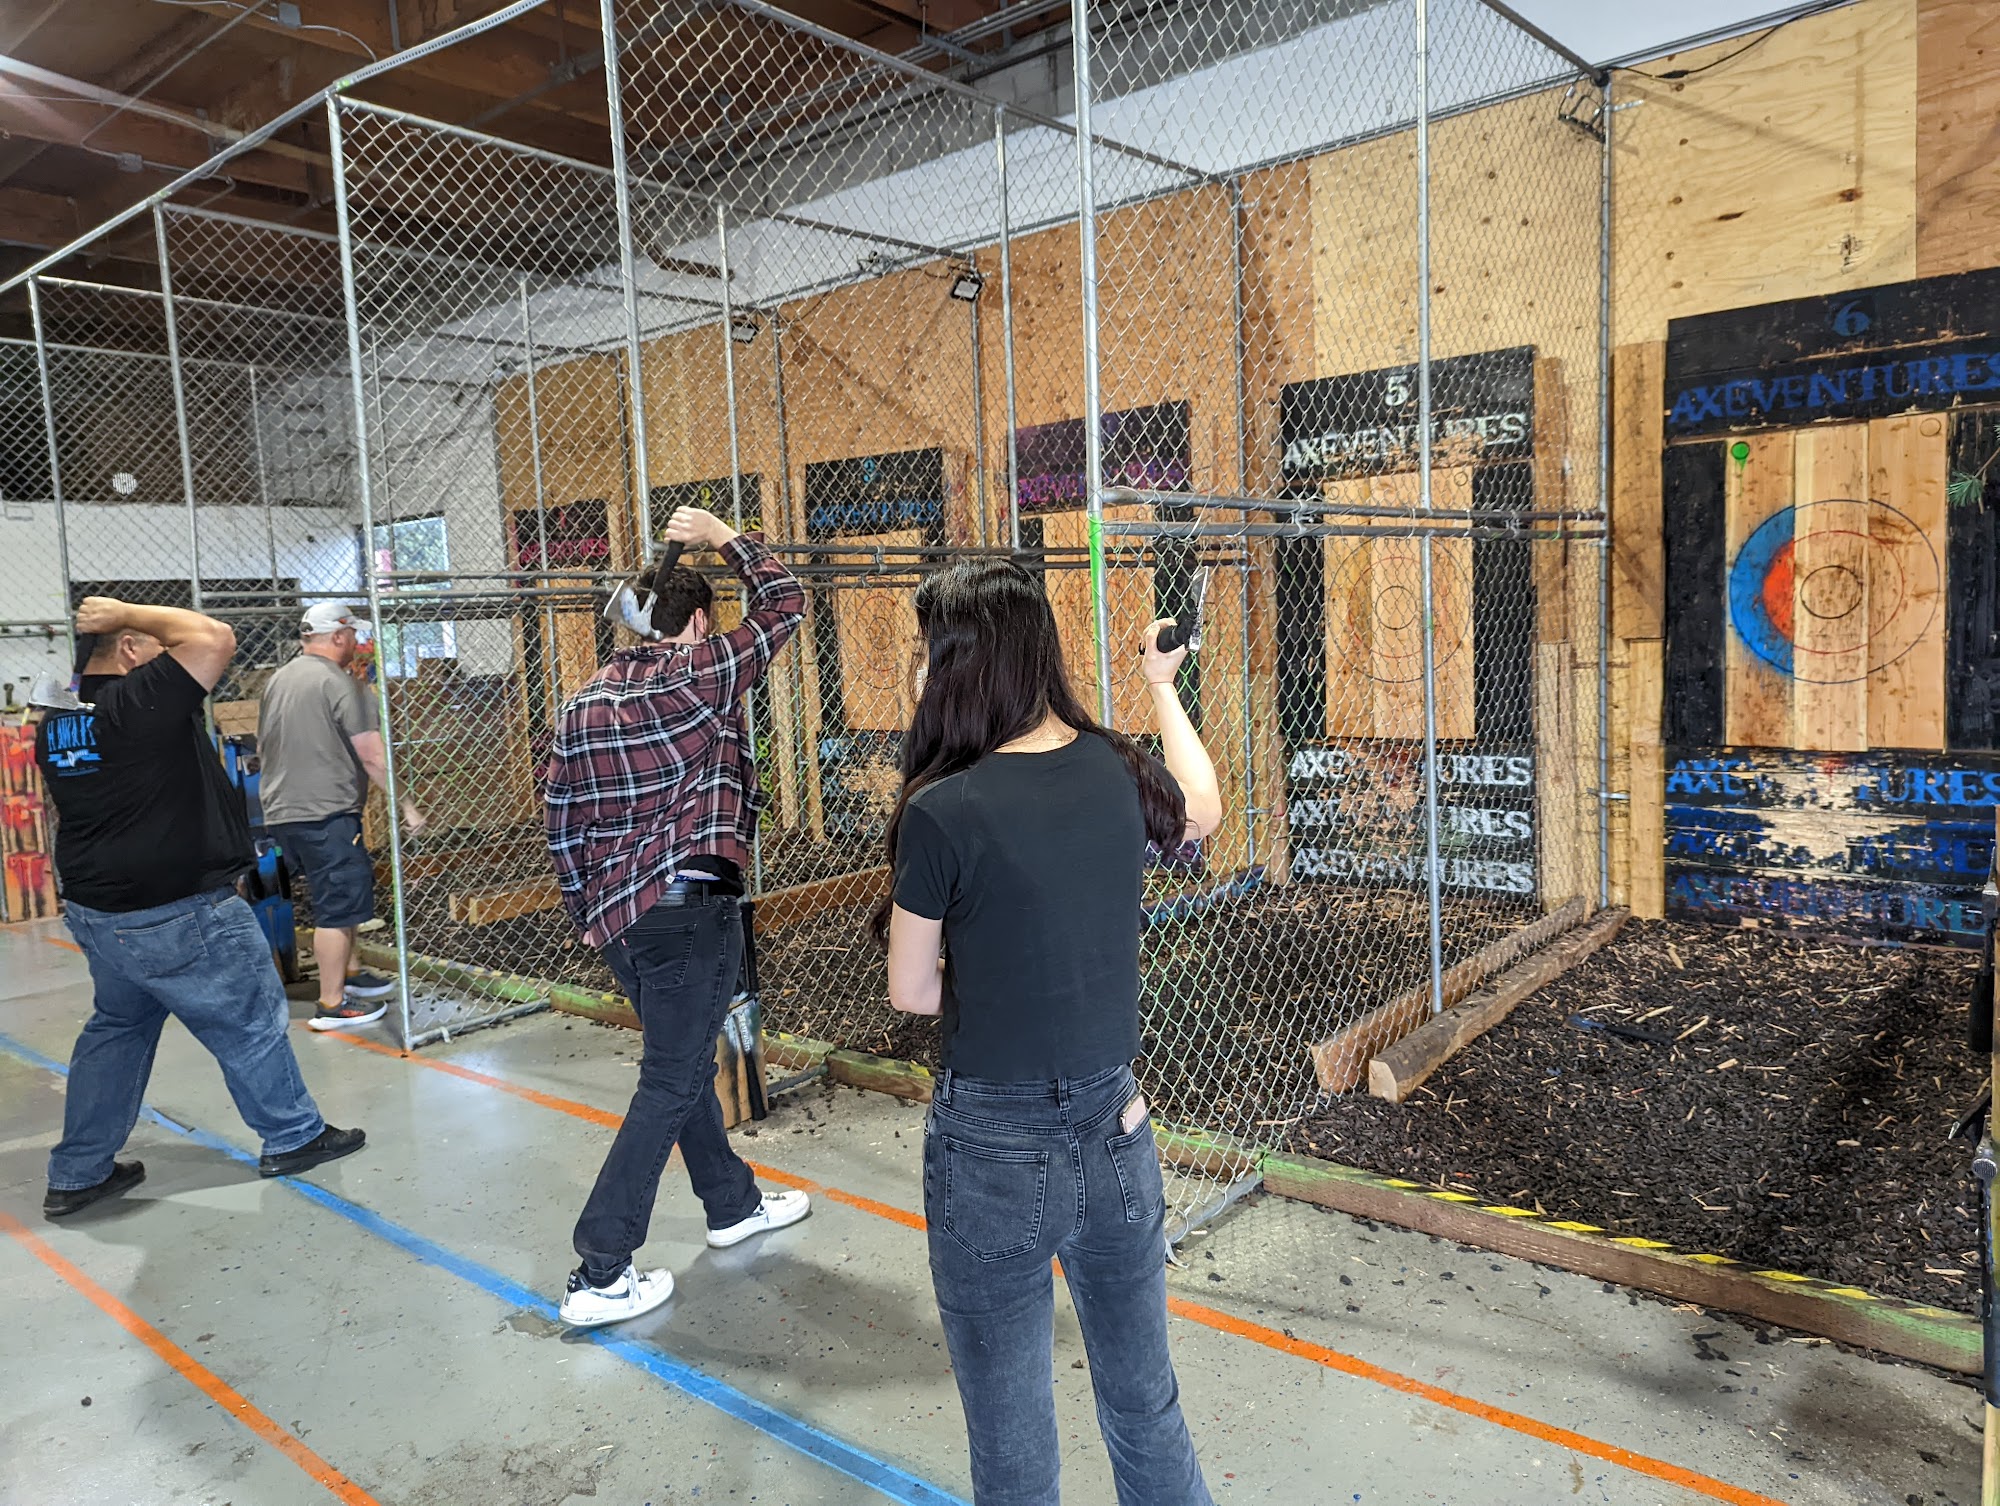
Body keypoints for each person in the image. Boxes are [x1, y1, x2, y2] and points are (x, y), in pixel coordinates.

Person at [878, 560, 1224, 1506]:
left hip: (991, 1147)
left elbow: (911, 990)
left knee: (1013, 1443)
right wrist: (1161, 686)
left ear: (966, 664)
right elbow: (1204, 807)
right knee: (1146, 1407)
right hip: (1119, 1132)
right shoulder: (1117, 767)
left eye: (931, 650)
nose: (920, 669)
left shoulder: (940, 810)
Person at [543, 505, 813, 1329]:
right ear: (697, 622)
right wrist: (724, 535)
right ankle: (601, 1268)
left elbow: (562, 826)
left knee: (683, 1063)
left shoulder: (582, 703)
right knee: (668, 1078)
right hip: (692, 914)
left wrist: (595, 916)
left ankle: (732, 1204)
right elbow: (786, 601)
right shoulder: (701, 674)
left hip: (621, 921)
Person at [37, 597, 365, 1219]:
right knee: (249, 1020)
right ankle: (294, 1135)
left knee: (117, 1032)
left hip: (100, 912)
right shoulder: (136, 701)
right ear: (129, 648)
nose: (170, 650)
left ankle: (78, 1173)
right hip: (175, 910)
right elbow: (214, 637)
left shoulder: (59, 720)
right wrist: (124, 611)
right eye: (156, 643)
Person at [258, 602, 424, 1032]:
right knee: (338, 901)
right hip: (326, 811)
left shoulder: (280, 679)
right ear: (337, 636)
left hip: (283, 810)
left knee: (336, 891)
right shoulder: (341, 685)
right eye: (353, 634)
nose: (357, 641)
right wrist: (407, 805)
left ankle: (350, 972)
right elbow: (372, 755)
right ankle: (332, 1003)